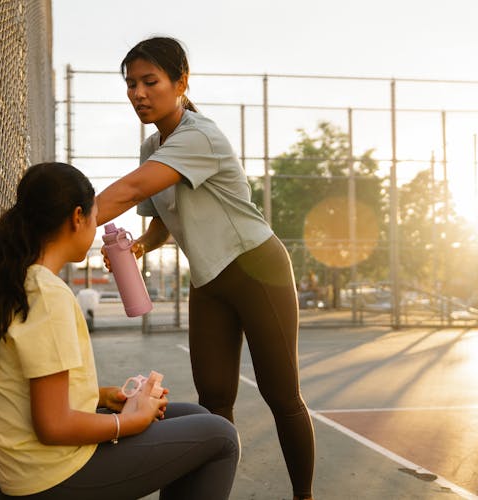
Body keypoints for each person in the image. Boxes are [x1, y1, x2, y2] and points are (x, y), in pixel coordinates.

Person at [95, 37, 315, 500]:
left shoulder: (199, 135)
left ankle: (304, 497)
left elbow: (134, 188)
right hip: (209, 280)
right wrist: (139, 246)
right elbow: (162, 221)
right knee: (214, 401)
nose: (138, 93)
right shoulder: (154, 147)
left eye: (150, 81)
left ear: (181, 82)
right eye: (131, 83)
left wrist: (64, 223)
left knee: (282, 396)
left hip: (257, 268)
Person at [0, 162, 239, 500]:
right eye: (95, 217)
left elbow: (32, 382)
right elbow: (53, 425)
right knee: (221, 436)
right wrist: (130, 422)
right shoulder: (47, 295)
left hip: (35, 465)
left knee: (195, 415)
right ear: (77, 217)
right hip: (52, 476)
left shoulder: (23, 280)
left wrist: (101, 396)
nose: (97, 229)